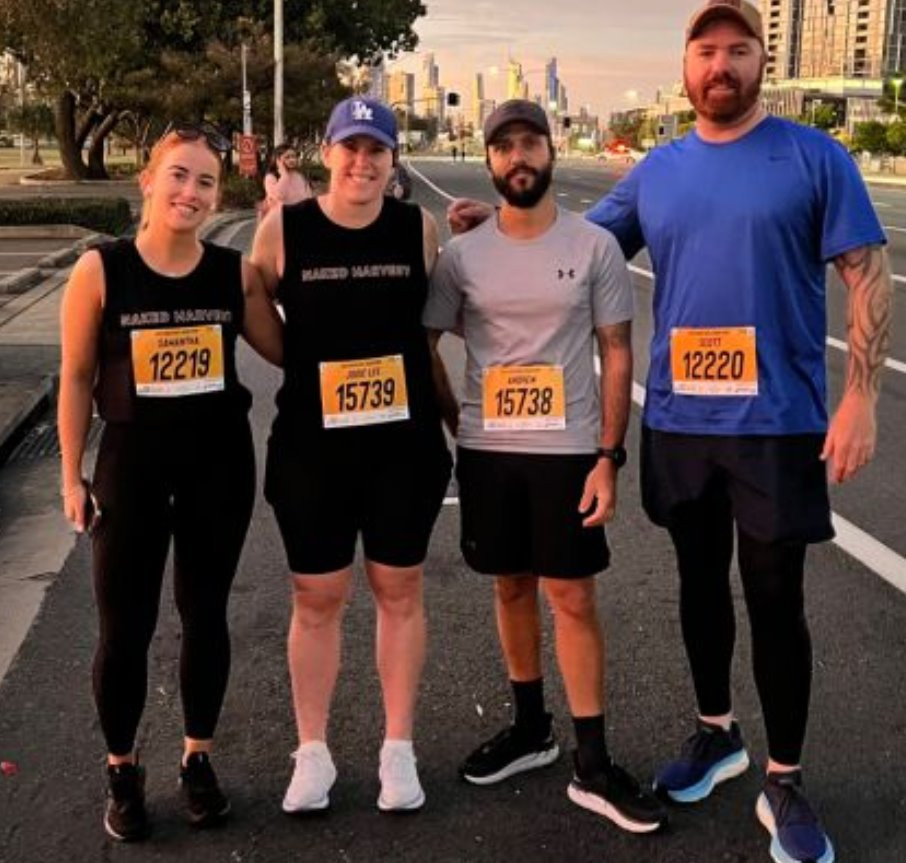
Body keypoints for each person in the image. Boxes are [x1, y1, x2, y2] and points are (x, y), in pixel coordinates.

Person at [449, 4, 893, 861]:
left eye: (738, 50)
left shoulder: (814, 157)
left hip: (777, 421)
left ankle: (785, 777)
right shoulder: (658, 171)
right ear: (686, 67)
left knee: (775, 594)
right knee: (698, 580)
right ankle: (715, 731)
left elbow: (867, 274)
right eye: (706, 51)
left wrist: (862, 396)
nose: (721, 65)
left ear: (762, 62)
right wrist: (497, 224)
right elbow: (576, 244)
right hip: (682, 421)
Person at [425, 99, 667, 835]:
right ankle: (531, 728)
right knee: (509, 584)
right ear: (489, 160)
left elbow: (616, 351)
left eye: (530, 142)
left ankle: (592, 761)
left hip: (567, 453)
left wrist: (608, 457)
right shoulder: (462, 255)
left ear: (550, 151)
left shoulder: (594, 246)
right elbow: (425, 342)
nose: (518, 156)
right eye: (504, 146)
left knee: (572, 595)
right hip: (490, 452)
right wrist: (458, 427)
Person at [58, 123, 283, 841]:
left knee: (205, 613)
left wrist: (290, 232)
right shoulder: (102, 270)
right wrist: (70, 475)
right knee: (124, 626)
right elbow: (76, 377)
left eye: (205, 181)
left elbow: (289, 350)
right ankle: (122, 769)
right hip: (131, 467)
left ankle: (197, 758)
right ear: (148, 180)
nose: (191, 191)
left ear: (218, 196)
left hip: (218, 464)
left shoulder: (233, 274)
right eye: (178, 175)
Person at [249, 97, 451, 814]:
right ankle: (313, 752)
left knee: (400, 589)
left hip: (402, 449)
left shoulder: (416, 228)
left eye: (376, 150)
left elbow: (428, 334)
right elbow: (255, 307)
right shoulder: (284, 229)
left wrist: (455, 417)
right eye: (350, 148)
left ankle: (399, 748)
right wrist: (304, 364)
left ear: (392, 161)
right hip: (313, 450)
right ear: (327, 153)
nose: (362, 163)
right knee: (317, 598)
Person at [262, 144, 313, 214]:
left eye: (294, 156)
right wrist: (284, 176)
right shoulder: (271, 177)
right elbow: (277, 196)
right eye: (287, 157)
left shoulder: (300, 176)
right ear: (278, 160)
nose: (292, 160)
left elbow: (308, 198)